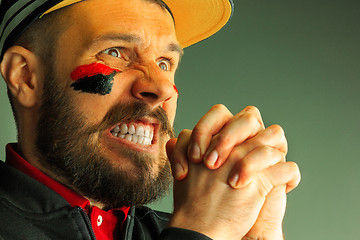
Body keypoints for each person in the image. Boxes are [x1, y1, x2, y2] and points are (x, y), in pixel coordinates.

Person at [0, 0, 301, 239]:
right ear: (26, 77)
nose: (161, 88)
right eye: (115, 52)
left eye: (164, 62)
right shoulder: (198, 230)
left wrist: (256, 237)